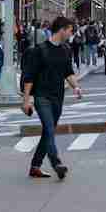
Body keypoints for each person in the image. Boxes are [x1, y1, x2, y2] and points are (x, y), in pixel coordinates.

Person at [21, 16, 83, 180]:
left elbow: (68, 72)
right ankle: (56, 163)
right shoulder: (39, 50)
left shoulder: (65, 50)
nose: (71, 34)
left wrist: (75, 87)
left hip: (58, 97)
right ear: (62, 29)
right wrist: (26, 100)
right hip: (42, 96)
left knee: (48, 132)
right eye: (70, 31)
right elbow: (29, 77)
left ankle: (35, 166)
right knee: (49, 128)